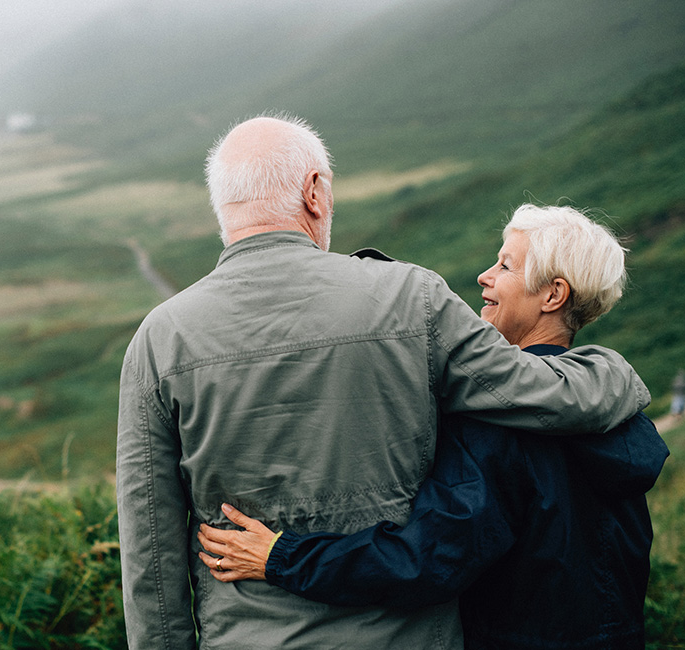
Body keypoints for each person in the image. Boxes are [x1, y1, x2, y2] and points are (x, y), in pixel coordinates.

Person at [116, 115, 651, 649]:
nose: (488, 276)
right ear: (314, 192)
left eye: (505, 265)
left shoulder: (158, 340)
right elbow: (540, 392)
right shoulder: (411, 299)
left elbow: (150, 556)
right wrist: (616, 374)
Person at [197, 204, 669, 649]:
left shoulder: (499, 424)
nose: (484, 276)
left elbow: (426, 562)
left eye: (506, 266)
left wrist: (281, 557)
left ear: (553, 294)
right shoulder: (618, 414)